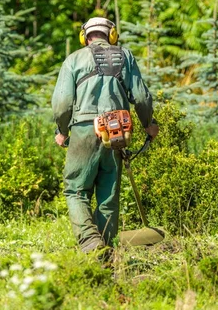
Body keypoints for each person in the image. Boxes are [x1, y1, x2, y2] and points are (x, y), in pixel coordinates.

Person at [52, 17, 159, 253]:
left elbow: (62, 104)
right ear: (111, 34)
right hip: (117, 129)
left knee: (76, 189)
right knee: (108, 194)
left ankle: (91, 242)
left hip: (84, 129)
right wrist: (149, 124)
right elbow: (141, 98)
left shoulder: (73, 59)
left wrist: (62, 130)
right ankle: (106, 251)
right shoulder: (125, 56)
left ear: (85, 36)